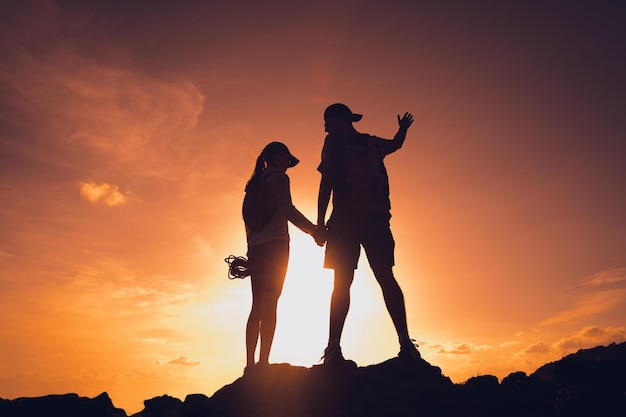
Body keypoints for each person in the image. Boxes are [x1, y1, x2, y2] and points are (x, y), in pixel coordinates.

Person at [316, 103, 420, 365]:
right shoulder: (371, 143)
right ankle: (405, 343)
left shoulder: (334, 145)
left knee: (344, 283)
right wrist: (402, 130)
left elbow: (325, 183)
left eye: (328, 121)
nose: (326, 127)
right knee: (384, 278)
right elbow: (395, 145)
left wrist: (319, 223)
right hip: (374, 220)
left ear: (340, 120)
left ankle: (333, 348)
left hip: (346, 221)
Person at [244, 141, 321, 374]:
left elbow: (249, 218)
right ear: (278, 157)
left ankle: (250, 364)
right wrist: (314, 230)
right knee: (272, 302)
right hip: (277, 244)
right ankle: (263, 363)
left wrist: (250, 247)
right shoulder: (279, 178)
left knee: (257, 304)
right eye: (287, 159)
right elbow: (287, 209)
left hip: (255, 246)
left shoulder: (254, 182)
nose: (288, 164)